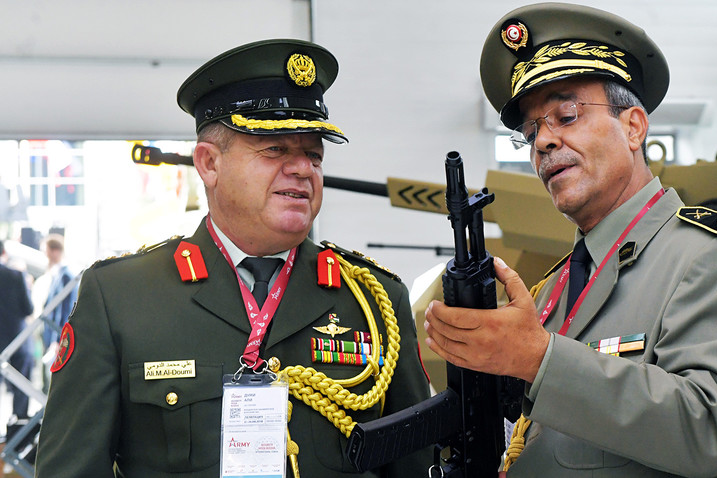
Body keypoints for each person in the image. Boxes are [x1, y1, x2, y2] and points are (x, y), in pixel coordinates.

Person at [35, 39, 432, 477]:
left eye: (313, 155)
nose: (302, 169)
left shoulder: (373, 302)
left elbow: (416, 464)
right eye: (275, 150)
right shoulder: (121, 298)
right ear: (208, 163)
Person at [423, 4, 717, 477]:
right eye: (530, 132)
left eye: (567, 115)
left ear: (633, 126)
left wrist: (539, 359)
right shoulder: (553, 290)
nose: (543, 142)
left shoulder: (713, 255)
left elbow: (716, 428)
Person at [38, 233, 79, 391]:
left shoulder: (66, 276)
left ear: (55, 251)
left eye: (46, 251)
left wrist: (58, 338)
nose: (45, 256)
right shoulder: (58, 274)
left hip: (58, 335)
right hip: (53, 334)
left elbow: (64, 310)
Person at [0, 239, 34, 421]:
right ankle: (18, 428)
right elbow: (28, 308)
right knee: (21, 384)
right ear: (4, 253)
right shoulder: (16, 276)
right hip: (16, 339)